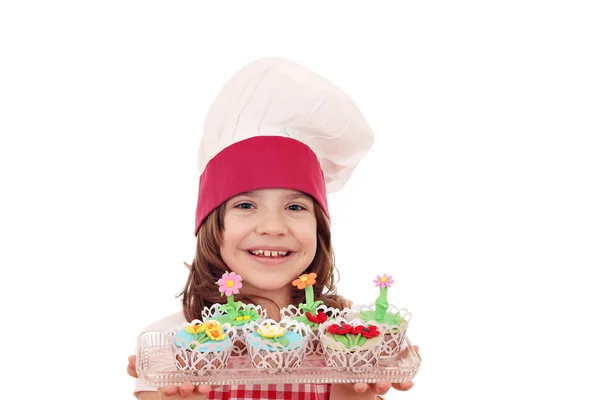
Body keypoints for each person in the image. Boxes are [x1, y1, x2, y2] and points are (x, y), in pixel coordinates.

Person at [127, 57, 420, 399]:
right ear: (212, 227)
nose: (272, 226)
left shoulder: (350, 341)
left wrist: (353, 387)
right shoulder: (172, 348)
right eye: (245, 205)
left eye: (295, 207)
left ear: (319, 229)